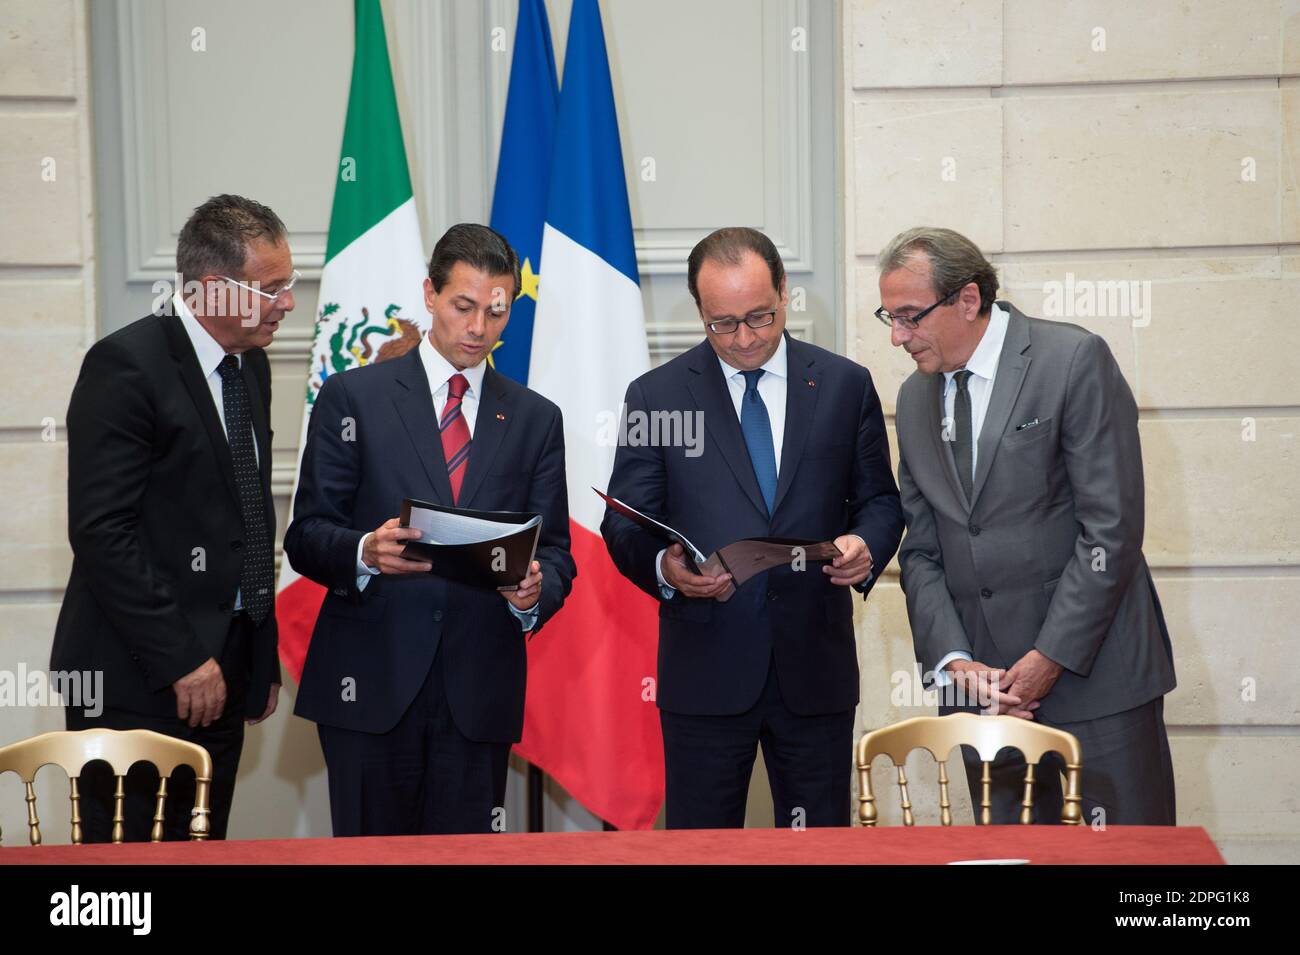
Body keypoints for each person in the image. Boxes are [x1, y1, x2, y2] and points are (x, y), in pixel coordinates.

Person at [601, 227, 904, 828]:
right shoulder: (656, 397)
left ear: (785, 292)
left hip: (815, 670)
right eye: (722, 323)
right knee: (702, 851)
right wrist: (668, 569)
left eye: (760, 317)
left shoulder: (844, 386)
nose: (744, 338)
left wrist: (863, 544)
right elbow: (623, 523)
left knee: (817, 849)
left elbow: (881, 504)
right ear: (699, 311)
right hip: (705, 672)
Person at [284, 223, 575, 835]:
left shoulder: (535, 419)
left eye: (495, 313)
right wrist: (366, 550)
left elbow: (556, 555)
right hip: (367, 686)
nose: (477, 329)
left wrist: (534, 594)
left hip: (478, 695)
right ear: (429, 294)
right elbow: (307, 533)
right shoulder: (352, 398)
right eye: (462, 307)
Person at [881, 225, 1176, 825]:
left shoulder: (1071, 360)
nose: (897, 337)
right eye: (888, 317)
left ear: (967, 299)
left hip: (1095, 683)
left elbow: (1110, 532)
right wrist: (956, 662)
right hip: (986, 701)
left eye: (910, 316)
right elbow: (922, 552)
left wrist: (1049, 657)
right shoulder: (913, 400)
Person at [52, 193, 290, 840]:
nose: (288, 302)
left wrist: (258, 651)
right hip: (137, 679)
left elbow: (248, 513)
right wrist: (183, 657)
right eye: (271, 288)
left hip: (227, 669)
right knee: (129, 878)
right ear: (214, 291)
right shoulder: (125, 366)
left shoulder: (251, 366)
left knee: (201, 851)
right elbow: (103, 531)